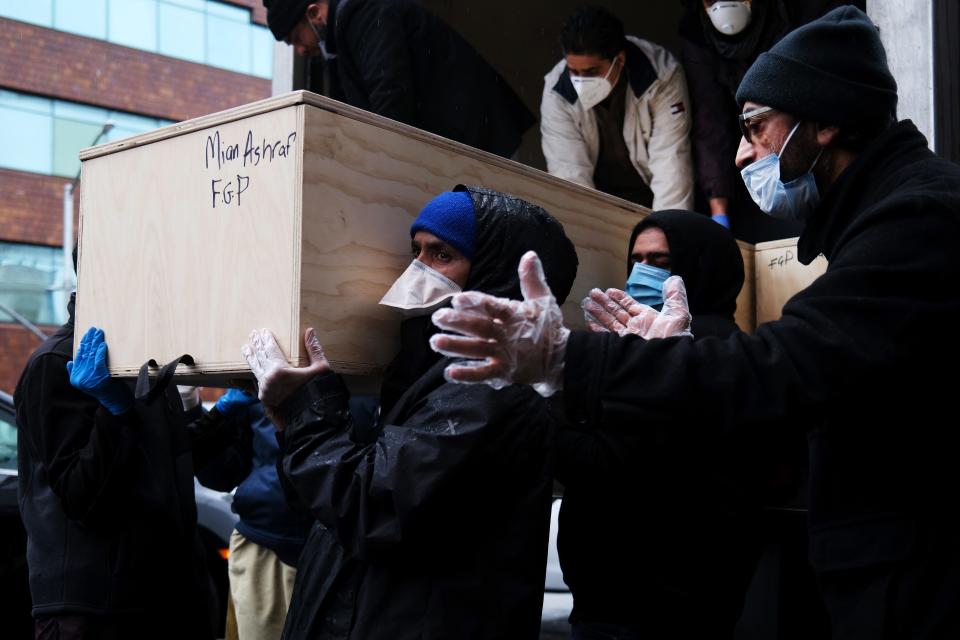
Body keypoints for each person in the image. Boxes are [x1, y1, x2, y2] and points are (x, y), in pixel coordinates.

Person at [429, 7, 960, 637]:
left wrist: (572, 361)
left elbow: (785, 372)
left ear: (825, 123)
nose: (741, 156)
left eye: (757, 128)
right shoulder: (887, 216)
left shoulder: (917, 218)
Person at [242, 187, 578, 639]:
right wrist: (298, 425)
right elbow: (327, 511)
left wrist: (309, 411)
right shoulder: (423, 376)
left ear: (495, 274)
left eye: (442, 253)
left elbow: (372, 506)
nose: (419, 269)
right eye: (415, 251)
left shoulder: (494, 390)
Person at [558, 211, 771, 638]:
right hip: (631, 595)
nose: (642, 271)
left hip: (660, 597)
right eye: (635, 258)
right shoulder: (632, 345)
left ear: (701, 265)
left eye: (660, 261)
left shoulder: (721, 355)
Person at [15, 284, 217, 637]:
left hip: (163, 598)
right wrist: (115, 413)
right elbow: (82, 498)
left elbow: (167, 470)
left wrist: (227, 413)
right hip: (97, 610)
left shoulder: (145, 361)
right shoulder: (58, 362)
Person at [263, 0, 535, 159]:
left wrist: (380, 161)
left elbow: (390, 95)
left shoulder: (365, 14)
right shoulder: (341, 39)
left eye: (296, 39)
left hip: (476, 143)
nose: (300, 49)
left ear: (314, 14)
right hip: (461, 146)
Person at [679, 0, 857, 239]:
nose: (723, 6)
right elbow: (711, 122)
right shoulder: (696, 34)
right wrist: (718, 212)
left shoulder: (795, 13)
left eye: (756, 125)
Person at [541, 6, 694, 210]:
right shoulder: (557, 92)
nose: (580, 81)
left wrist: (667, 231)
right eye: (574, 71)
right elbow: (569, 176)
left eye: (591, 71)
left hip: (652, 192)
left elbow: (671, 164)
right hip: (600, 199)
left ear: (619, 60)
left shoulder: (660, 76)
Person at [193, 388, 315, 640]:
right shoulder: (259, 369)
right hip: (264, 549)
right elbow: (222, 474)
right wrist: (194, 409)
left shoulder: (367, 361)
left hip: (344, 547)